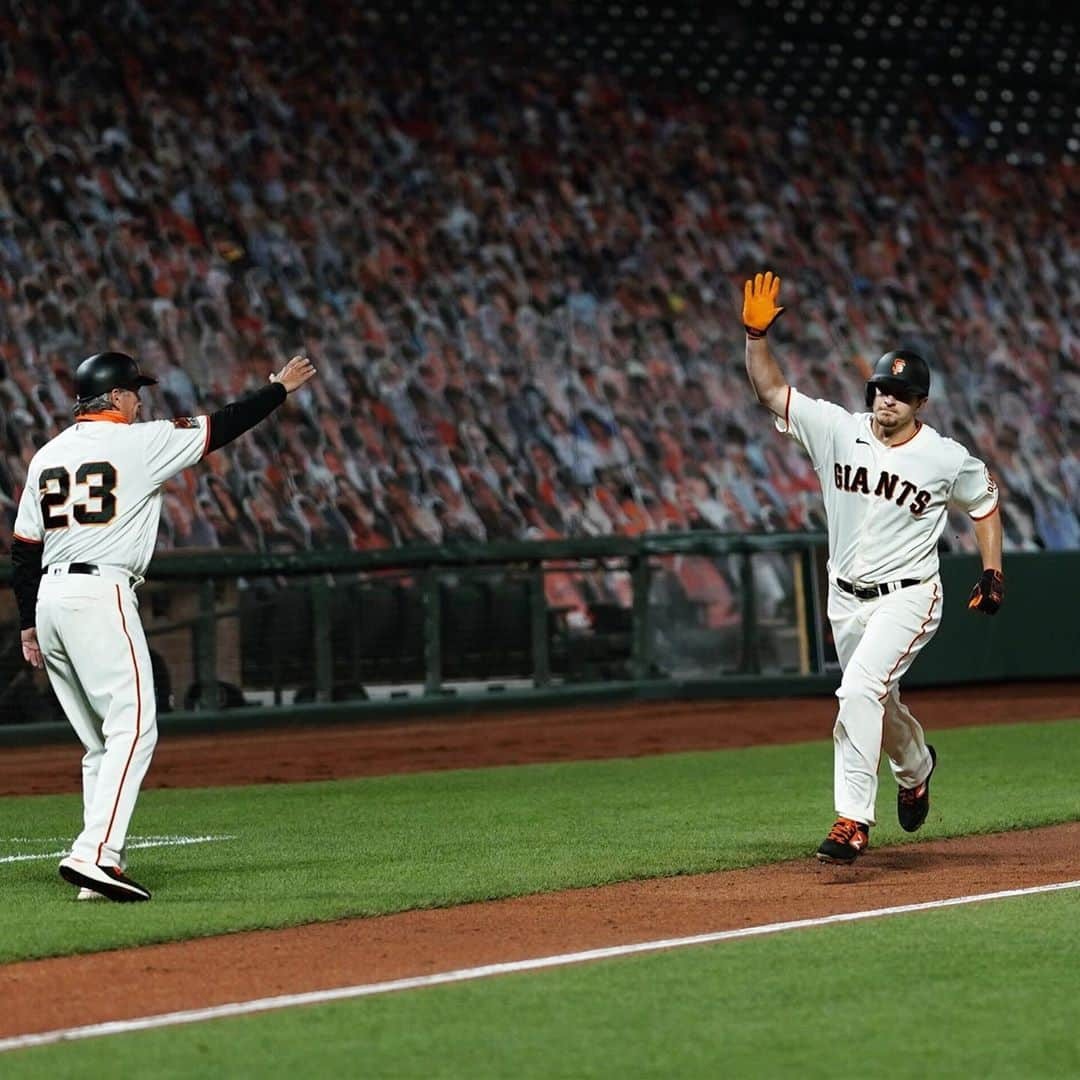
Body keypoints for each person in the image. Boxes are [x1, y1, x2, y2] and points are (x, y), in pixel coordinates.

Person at [10, 349, 317, 901]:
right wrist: (278, 390)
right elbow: (223, 424)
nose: (141, 400)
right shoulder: (139, 441)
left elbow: (23, 550)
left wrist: (29, 623)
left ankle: (95, 872)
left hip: (50, 599)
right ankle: (95, 854)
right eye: (136, 392)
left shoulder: (45, 455)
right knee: (135, 727)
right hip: (99, 593)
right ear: (119, 397)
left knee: (99, 744)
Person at [741, 271, 1004, 864]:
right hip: (845, 596)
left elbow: (985, 500)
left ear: (920, 404)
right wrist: (756, 338)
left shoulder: (943, 455)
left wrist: (992, 570)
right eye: (881, 388)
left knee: (857, 689)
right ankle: (916, 765)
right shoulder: (837, 430)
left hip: (910, 595)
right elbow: (771, 391)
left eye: (901, 393)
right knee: (875, 703)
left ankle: (852, 821)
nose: (888, 398)